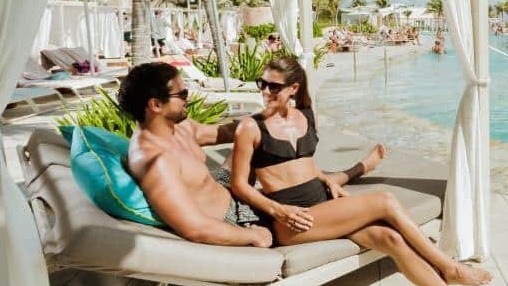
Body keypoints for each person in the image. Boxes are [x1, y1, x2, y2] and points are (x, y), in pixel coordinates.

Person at [229, 56, 491, 286]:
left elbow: (301, 164)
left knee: (390, 239)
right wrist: (279, 210)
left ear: (293, 88)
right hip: (294, 220)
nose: (265, 91)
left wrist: (325, 179)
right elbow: (239, 184)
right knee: (385, 200)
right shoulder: (249, 127)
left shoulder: (306, 115)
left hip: (325, 205)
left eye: (274, 87)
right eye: (262, 84)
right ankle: (448, 267)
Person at [119, 63, 384, 248]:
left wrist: (274, 122)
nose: (188, 98)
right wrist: (251, 236)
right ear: (155, 105)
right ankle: (356, 170)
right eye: (182, 93)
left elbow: (221, 132)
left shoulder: (176, 126)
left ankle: (350, 172)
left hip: (220, 184)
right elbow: (194, 227)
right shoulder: (156, 161)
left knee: (269, 151)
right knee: (288, 171)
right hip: (231, 215)